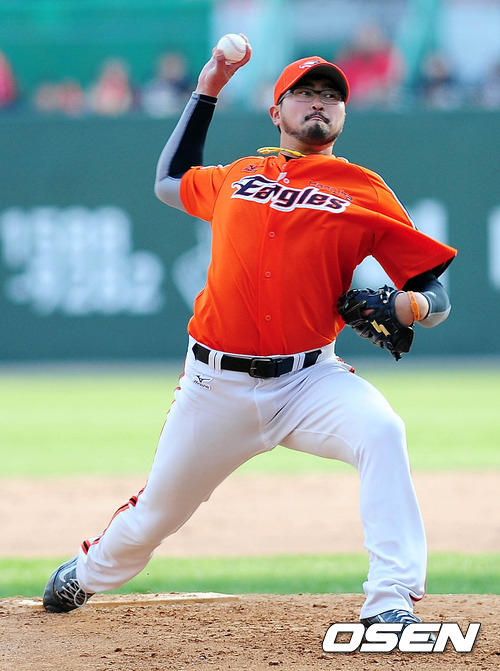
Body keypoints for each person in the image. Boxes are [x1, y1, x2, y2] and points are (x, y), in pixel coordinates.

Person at [43, 41, 457, 632]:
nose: (320, 103)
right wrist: (209, 85)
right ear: (276, 111)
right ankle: (88, 572)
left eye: (331, 95)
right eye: (305, 93)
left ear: (344, 114)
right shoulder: (238, 176)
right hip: (215, 386)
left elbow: (436, 293)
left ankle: (390, 599)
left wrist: (410, 305)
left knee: (382, 431)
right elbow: (168, 180)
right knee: (156, 515)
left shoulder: (363, 189)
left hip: (309, 380)